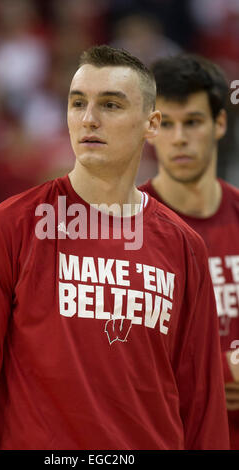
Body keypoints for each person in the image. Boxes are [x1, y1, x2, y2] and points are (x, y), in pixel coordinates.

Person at [0, 45, 229, 450]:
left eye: (110, 104)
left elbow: (202, 413)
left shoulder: (184, 247)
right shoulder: (2, 231)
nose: (89, 118)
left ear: (152, 124)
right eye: (78, 103)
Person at [139, 53, 239, 449]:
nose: (179, 138)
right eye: (167, 124)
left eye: (193, 122)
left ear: (219, 124)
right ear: (149, 129)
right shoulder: (124, 229)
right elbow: (120, 354)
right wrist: (221, 372)